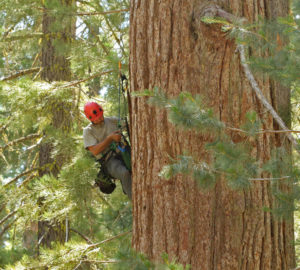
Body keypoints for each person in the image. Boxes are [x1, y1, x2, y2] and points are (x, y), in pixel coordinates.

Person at [82, 101, 132, 200]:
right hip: (109, 161)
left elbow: (129, 126)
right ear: (90, 119)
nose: (100, 118)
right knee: (124, 173)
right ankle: (135, 200)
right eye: (97, 118)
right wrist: (110, 138)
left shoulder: (112, 121)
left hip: (124, 151)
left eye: (101, 116)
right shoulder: (88, 131)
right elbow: (95, 151)